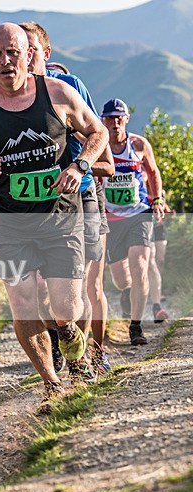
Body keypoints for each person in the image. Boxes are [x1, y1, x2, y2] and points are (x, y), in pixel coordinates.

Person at [0, 24, 108, 412]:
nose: (6, 61)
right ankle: (52, 384)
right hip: (10, 222)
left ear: (28, 55)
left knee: (65, 308)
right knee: (23, 303)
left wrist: (79, 165)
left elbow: (98, 132)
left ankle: (69, 336)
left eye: (13, 52)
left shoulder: (57, 94)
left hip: (60, 217)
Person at [20, 21, 115, 377]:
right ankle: (63, 338)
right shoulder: (10, 95)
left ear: (45, 53)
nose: (25, 56)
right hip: (39, 201)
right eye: (20, 49)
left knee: (83, 282)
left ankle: (84, 359)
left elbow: (98, 137)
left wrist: (80, 162)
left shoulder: (71, 86)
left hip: (82, 187)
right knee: (43, 285)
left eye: (31, 49)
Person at [100, 98, 165, 344]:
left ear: (126, 119)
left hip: (139, 214)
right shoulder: (99, 145)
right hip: (111, 218)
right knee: (120, 279)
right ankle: (127, 292)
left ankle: (136, 326)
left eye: (119, 118)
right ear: (103, 120)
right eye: (110, 118)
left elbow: (153, 172)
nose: (115, 123)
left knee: (139, 266)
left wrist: (156, 199)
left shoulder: (138, 144)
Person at [148, 189, 172, 323]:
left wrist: (169, 211)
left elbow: (165, 207)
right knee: (150, 260)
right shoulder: (139, 187)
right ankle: (147, 289)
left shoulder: (160, 191)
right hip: (145, 227)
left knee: (160, 260)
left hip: (159, 227)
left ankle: (158, 290)